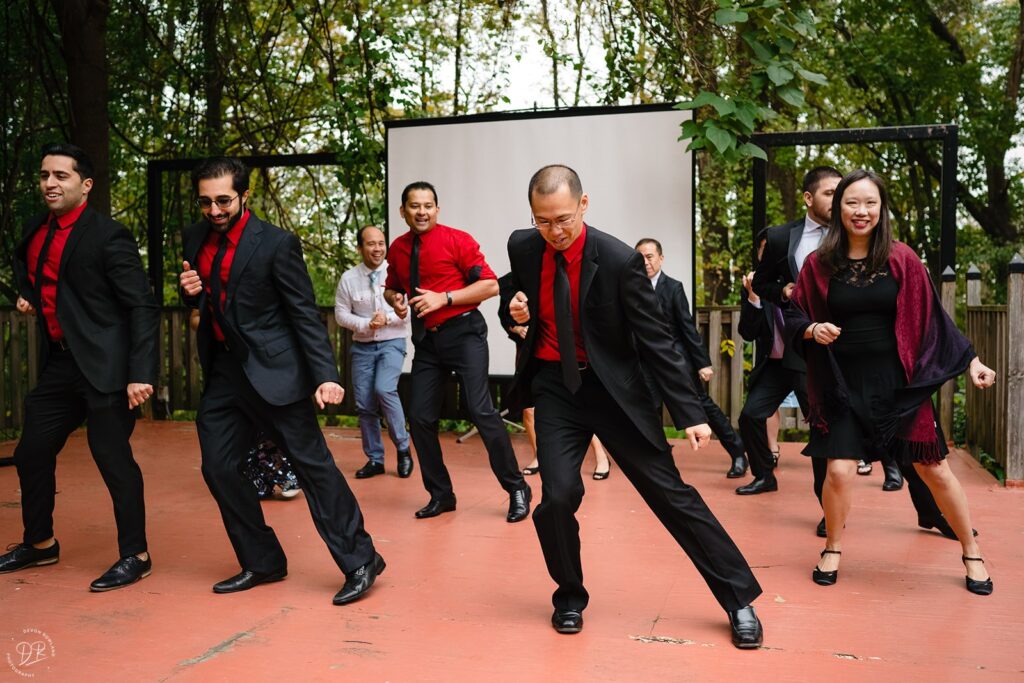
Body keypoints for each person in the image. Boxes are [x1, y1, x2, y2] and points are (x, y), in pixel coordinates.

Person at [506, 164, 763, 649]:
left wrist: (690, 413)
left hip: (615, 394)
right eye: (543, 221)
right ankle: (569, 595)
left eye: (562, 219)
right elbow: (515, 298)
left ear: (583, 205)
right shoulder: (523, 246)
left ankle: (739, 599)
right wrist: (514, 312)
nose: (554, 232)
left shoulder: (620, 260)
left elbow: (658, 342)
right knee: (556, 497)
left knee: (671, 496)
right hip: (556, 390)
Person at [179, 156, 383, 605]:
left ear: (244, 196)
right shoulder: (195, 238)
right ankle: (263, 560)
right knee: (218, 467)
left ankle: (362, 560)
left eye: (224, 201)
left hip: (277, 372)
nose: (214, 210)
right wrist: (188, 290)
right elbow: (202, 292)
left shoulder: (276, 243)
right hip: (225, 374)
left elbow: (303, 313)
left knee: (313, 468)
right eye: (206, 202)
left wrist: (325, 375)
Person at [786, 169, 995, 595]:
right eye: (851, 203)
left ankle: (971, 548)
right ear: (838, 207)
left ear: (881, 210)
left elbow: (935, 318)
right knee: (840, 471)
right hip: (842, 384)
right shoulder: (818, 264)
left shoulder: (902, 259)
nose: (860, 211)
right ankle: (833, 547)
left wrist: (971, 361)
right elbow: (795, 315)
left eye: (870, 203)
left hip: (898, 385)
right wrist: (811, 331)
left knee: (933, 468)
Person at [0, 143, 159, 591]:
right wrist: (27, 291)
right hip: (61, 364)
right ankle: (40, 544)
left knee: (112, 458)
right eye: (45, 175)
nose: (50, 183)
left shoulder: (110, 236)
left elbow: (142, 307)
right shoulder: (35, 229)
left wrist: (140, 372)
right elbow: (24, 264)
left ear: (85, 185)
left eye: (61, 176)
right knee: (31, 451)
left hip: (107, 367)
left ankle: (136, 555)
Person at [383, 181, 530, 522]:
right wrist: (397, 301)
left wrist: (443, 297)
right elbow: (392, 287)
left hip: (464, 334)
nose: (421, 211)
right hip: (428, 343)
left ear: (437, 209)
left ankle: (516, 487)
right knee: (419, 417)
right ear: (403, 211)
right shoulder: (399, 248)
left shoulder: (457, 240)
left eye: (428, 205)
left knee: (481, 410)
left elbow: (491, 286)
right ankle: (441, 495)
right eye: (414, 206)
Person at [740, 167, 842, 497]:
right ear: (808, 198)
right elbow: (762, 284)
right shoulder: (782, 237)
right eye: (830, 193)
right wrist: (783, 291)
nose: (838, 200)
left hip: (824, 352)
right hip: (780, 356)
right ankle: (765, 476)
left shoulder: (854, 236)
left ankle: (827, 505)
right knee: (751, 415)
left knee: (821, 428)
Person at [635, 238, 748, 478]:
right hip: (646, 363)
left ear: (661, 258)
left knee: (702, 406)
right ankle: (659, 461)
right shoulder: (631, 287)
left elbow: (687, 328)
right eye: (640, 257)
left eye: (649, 256)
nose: (645, 262)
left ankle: (738, 453)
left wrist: (702, 363)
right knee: (648, 409)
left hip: (676, 362)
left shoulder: (673, 287)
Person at [497, 273, 611, 480]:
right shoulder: (507, 282)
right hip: (528, 356)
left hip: (560, 355)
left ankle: (601, 456)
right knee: (529, 411)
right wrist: (517, 328)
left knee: (579, 406)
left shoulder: (556, 276)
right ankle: (538, 456)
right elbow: (504, 318)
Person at [335, 225, 413, 480]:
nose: (377, 248)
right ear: (360, 248)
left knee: (384, 389)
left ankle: (403, 449)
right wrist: (365, 324)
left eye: (381, 243)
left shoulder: (398, 272)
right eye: (371, 244)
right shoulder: (349, 278)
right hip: (363, 346)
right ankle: (375, 459)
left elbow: (410, 307)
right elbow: (341, 314)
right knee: (365, 404)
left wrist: (388, 319)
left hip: (393, 341)